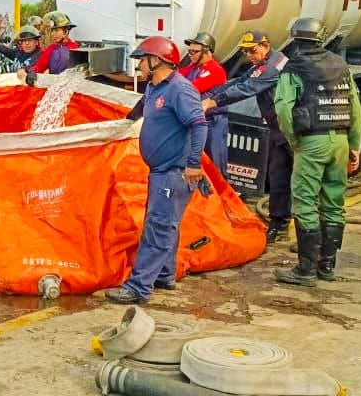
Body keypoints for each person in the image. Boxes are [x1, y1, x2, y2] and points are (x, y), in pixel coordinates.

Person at [105, 36, 207, 305]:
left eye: (142, 61)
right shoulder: (154, 87)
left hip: (174, 172)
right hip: (161, 171)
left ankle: (138, 287)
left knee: (158, 227)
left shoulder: (180, 90)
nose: (139, 66)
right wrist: (118, 123)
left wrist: (194, 164)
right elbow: (141, 108)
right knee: (166, 225)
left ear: (157, 61)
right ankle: (164, 273)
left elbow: (199, 125)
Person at [272, 18, 361, 286]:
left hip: (312, 140)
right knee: (334, 203)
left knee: (304, 202)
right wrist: (354, 146)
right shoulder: (340, 65)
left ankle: (306, 270)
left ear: (296, 39)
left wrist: (293, 140)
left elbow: (283, 110)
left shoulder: (294, 67)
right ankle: (327, 266)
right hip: (341, 141)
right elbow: (355, 108)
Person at [202, 30, 293, 242]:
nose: (249, 55)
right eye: (245, 52)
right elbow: (238, 82)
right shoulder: (260, 65)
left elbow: (247, 88)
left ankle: (309, 230)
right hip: (278, 129)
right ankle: (279, 224)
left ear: (265, 45)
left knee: (301, 179)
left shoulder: (275, 65)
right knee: (278, 176)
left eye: (252, 50)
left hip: (292, 130)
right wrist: (209, 94)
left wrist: (214, 102)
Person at [179, 33, 229, 174]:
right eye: (189, 51)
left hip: (213, 122)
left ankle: (222, 194)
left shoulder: (216, 70)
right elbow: (175, 78)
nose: (190, 55)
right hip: (197, 121)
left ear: (207, 52)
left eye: (194, 52)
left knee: (214, 164)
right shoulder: (193, 68)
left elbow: (190, 88)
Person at [25, 11, 79, 80]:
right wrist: (31, 71)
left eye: (56, 30)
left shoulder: (75, 49)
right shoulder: (51, 48)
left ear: (65, 32)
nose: (53, 34)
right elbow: (39, 66)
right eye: (52, 31)